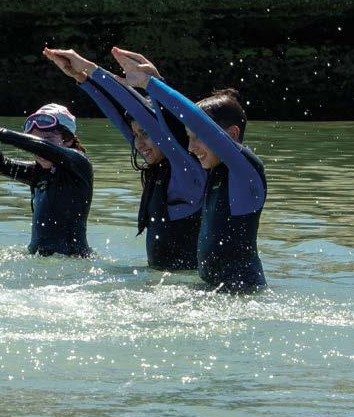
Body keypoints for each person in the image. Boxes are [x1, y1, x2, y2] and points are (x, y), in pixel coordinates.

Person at [111, 47, 267, 292]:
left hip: (243, 296)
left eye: (198, 137)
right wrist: (90, 75)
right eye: (189, 138)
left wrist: (152, 84)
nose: (191, 148)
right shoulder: (214, 172)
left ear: (231, 134)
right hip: (212, 293)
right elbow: (168, 125)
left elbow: (193, 118)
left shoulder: (247, 172)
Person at [43, 48, 206, 270]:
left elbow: (144, 115)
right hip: (162, 283)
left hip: (188, 286)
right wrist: (82, 79)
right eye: (135, 135)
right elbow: (118, 117)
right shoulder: (160, 166)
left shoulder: (187, 171)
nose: (138, 143)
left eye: (145, 133)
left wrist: (92, 69)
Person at [0, 104, 92, 257]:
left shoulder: (80, 164)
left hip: (74, 261)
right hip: (38, 258)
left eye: (48, 139)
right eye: (35, 139)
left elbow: (42, 147)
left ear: (67, 140)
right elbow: (0, 166)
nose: (38, 150)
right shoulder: (39, 172)